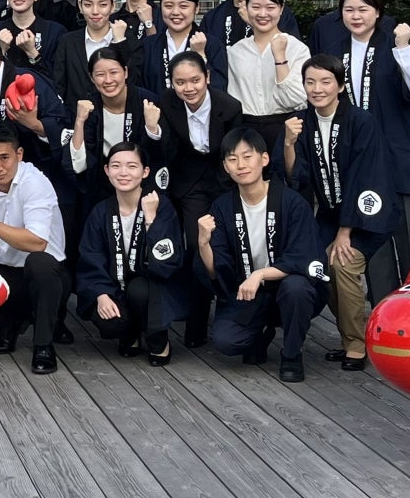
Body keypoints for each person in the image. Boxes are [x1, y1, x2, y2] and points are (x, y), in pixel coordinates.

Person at [284, 54, 399, 371]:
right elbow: (299, 177)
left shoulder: (360, 121)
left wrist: (345, 232)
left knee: (342, 265)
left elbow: (365, 178)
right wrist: (289, 144)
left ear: (340, 85)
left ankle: (357, 345)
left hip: (367, 215)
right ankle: (352, 335)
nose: (317, 88)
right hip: (331, 216)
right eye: (310, 81)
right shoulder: (302, 122)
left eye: (325, 81)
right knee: (317, 265)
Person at [197, 127, 327, 383]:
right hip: (249, 294)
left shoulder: (291, 202)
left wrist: (260, 274)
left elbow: (304, 258)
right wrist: (203, 243)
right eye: (233, 159)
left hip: (288, 288)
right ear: (225, 167)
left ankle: (292, 354)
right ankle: (260, 333)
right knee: (225, 341)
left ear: (264, 159)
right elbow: (216, 271)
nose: (241, 165)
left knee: (296, 288)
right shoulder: (222, 207)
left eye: (247, 157)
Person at [332, 0, 410, 297]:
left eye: (363, 9)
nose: (356, 16)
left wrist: (404, 49)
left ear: (378, 12)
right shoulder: (338, 53)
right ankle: (383, 320)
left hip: (399, 157)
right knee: (374, 244)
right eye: (349, 9)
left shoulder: (396, 46)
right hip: (361, 160)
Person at [0, 122, 69, 373]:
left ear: (19, 155)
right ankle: (5, 324)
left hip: (49, 276)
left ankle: (43, 345)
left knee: (38, 262)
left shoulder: (36, 182)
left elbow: (37, 242)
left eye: (4, 158)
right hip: (7, 274)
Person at [154, 50, 243, 347]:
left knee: (215, 244)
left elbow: (232, 153)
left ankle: (213, 318)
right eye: (180, 82)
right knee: (193, 244)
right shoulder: (166, 102)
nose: (188, 88)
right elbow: (166, 149)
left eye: (194, 80)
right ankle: (192, 318)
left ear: (207, 77)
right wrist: (153, 129)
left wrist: (226, 192)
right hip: (185, 177)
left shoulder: (229, 107)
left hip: (222, 177)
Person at [75, 143, 184, 364]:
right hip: (114, 288)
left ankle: (158, 338)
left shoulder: (161, 206)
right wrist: (101, 294)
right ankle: (129, 332)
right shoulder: (100, 212)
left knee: (140, 290)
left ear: (145, 172)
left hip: (151, 287)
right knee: (110, 321)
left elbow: (167, 263)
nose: (123, 173)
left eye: (132, 166)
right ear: (106, 171)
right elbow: (90, 257)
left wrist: (151, 220)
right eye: (116, 166)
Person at [70, 47, 163, 217]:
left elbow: (161, 153)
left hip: (142, 184)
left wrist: (152, 128)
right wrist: (79, 121)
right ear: (91, 78)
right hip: (103, 183)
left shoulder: (147, 103)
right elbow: (78, 164)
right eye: (100, 75)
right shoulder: (88, 107)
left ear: (126, 72)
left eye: (114, 72)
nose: (108, 80)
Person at [221, 0, 308, 155]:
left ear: (281, 9)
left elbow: (297, 100)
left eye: (270, 7)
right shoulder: (236, 51)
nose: (263, 13)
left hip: (287, 127)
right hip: (246, 130)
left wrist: (280, 58)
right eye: (256, 7)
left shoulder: (297, 48)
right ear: (246, 7)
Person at [201, 0, 301, 84]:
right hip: (225, 95)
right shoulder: (212, 17)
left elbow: (290, 53)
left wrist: (253, 23)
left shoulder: (277, 14)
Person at [54, 0, 129, 106]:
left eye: (103, 5)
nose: (95, 11)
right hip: (75, 119)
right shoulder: (67, 42)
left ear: (112, 6)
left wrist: (120, 43)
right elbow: (59, 86)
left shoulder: (125, 39)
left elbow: (132, 82)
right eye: (88, 4)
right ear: (80, 5)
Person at [0, 0, 66, 89]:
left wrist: (32, 53)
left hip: (41, 101)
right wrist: (0, 51)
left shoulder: (55, 32)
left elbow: (57, 79)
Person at [135, 0, 207, 97]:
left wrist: (201, 55)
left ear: (197, 8)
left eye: (183, 6)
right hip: (157, 113)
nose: (175, 12)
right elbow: (140, 86)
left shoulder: (211, 44)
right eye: (168, 6)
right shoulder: (149, 45)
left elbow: (218, 87)